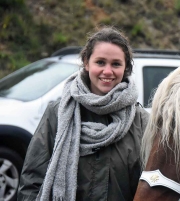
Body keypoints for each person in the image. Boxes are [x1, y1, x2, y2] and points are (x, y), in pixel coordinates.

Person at [17, 26, 149, 201]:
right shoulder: (57, 113)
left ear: (125, 68)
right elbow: (32, 179)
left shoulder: (141, 121)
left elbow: (152, 187)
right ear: (87, 63)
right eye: (100, 62)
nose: (107, 71)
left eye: (116, 64)